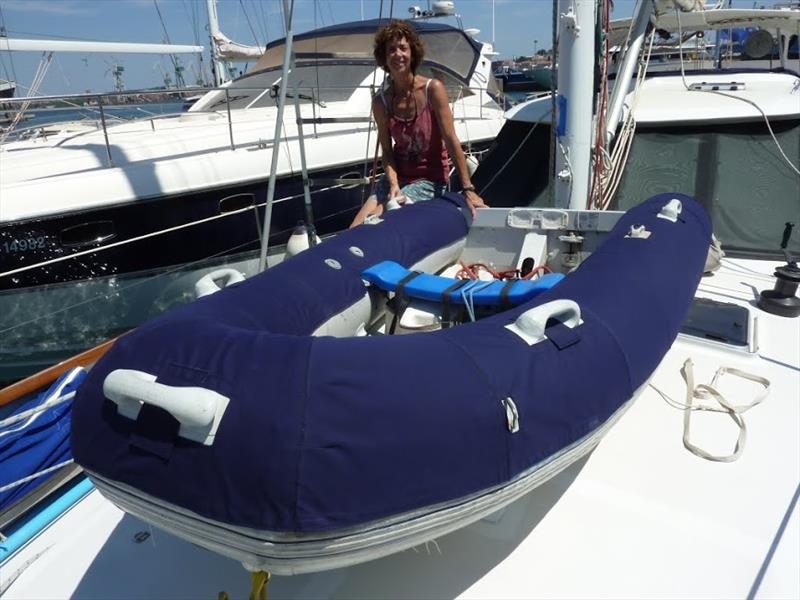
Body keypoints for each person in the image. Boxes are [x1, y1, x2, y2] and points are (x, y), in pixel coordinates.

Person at [349, 20, 487, 227]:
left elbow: (450, 140)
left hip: (430, 180)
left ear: (412, 52)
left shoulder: (433, 89)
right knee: (355, 228)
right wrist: (394, 183)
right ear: (384, 58)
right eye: (391, 50)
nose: (398, 54)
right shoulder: (381, 102)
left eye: (403, 48)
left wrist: (468, 189)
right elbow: (387, 151)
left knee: (380, 218)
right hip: (396, 178)